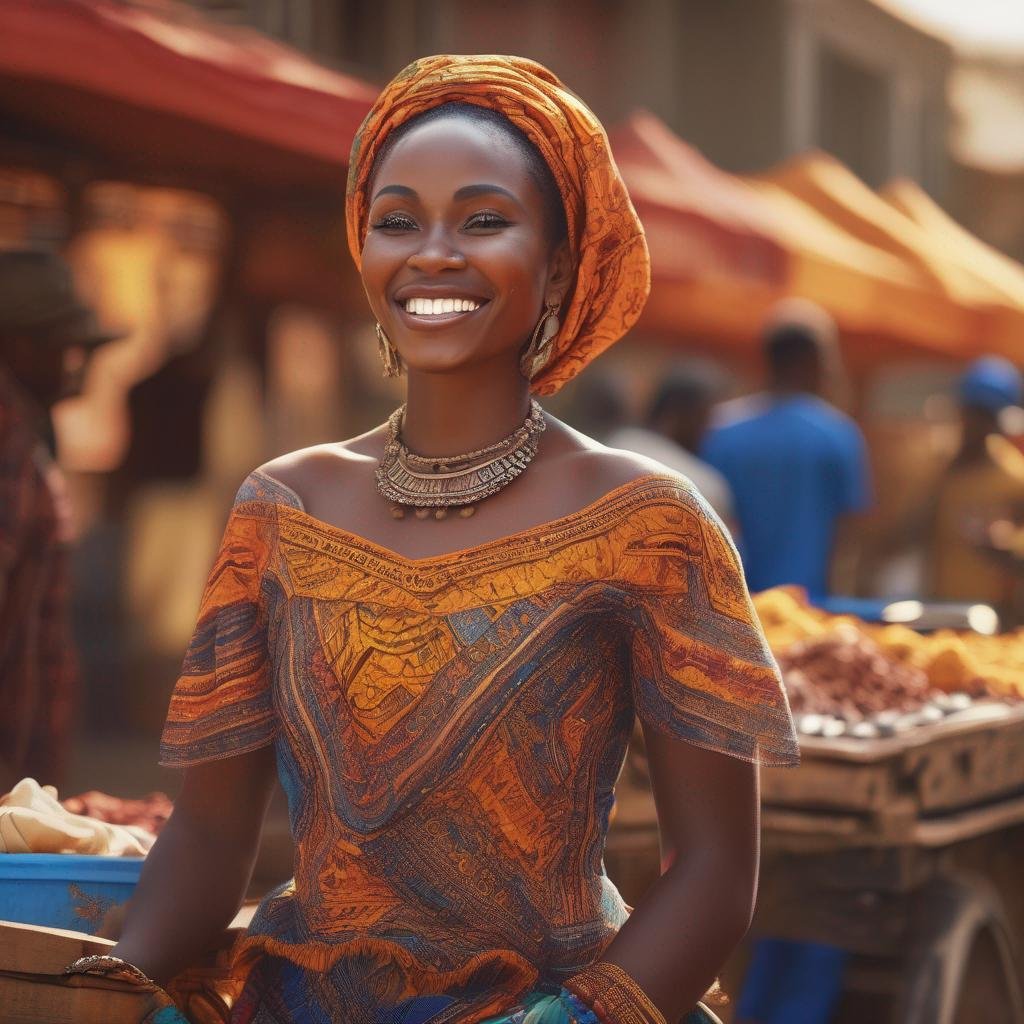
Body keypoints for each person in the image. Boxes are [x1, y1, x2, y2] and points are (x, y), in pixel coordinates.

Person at [74, 56, 799, 1024]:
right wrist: (102, 992)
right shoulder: (280, 507)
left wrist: (574, 1018)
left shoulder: (646, 522)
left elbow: (712, 868)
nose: (434, 253)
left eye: (485, 219)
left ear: (557, 262)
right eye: (397, 220)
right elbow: (208, 835)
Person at [0, 248, 120, 792]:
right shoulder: (7, 449)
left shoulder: (28, 437)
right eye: (63, 346)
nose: (77, 364)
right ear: (16, 346)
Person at [701, 300, 872, 598]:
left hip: (736, 608)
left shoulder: (721, 432)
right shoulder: (838, 434)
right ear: (811, 360)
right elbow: (848, 542)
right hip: (809, 609)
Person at [927, 357, 1024, 617]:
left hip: (993, 617)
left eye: (984, 416)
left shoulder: (1013, 477)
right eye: (970, 413)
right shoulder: (944, 469)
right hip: (940, 607)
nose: (974, 425)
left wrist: (1006, 547)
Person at [608, 365, 735, 525]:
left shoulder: (614, 444)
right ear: (679, 414)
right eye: (708, 416)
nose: (714, 426)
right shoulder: (705, 486)